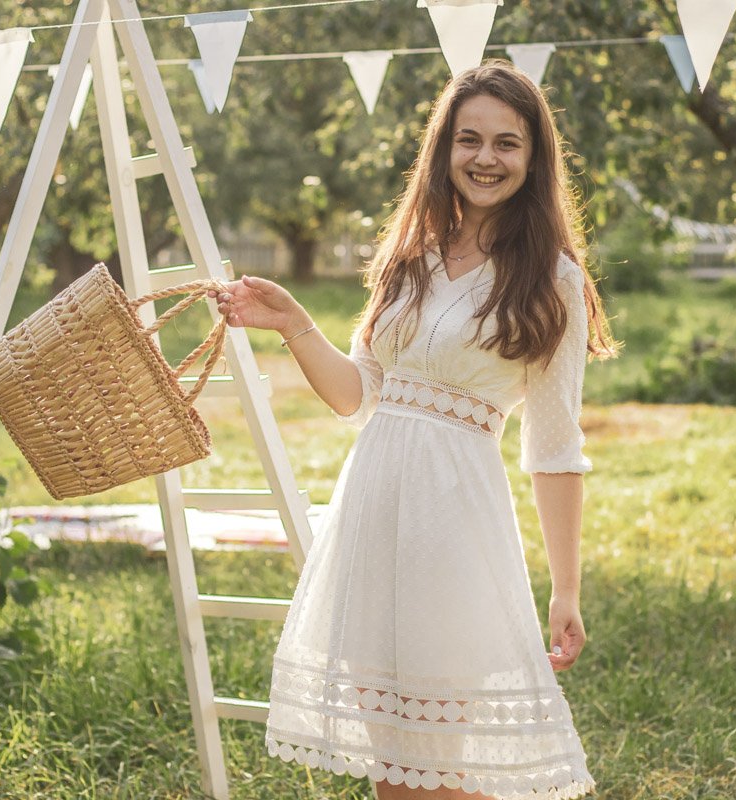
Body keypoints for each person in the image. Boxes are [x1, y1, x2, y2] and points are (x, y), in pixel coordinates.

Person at [215, 59, 618, 800]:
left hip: (453, 524)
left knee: (436, 763)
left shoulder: (550, 277)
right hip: (372, 515)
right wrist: (294, 323)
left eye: (507, 143)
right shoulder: (411, 257)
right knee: (392, 769)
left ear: (533, 158)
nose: (486, 158)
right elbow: (356, 393)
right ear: (444, 149)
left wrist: (566, 590)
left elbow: (556, 447)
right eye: (469, 139)